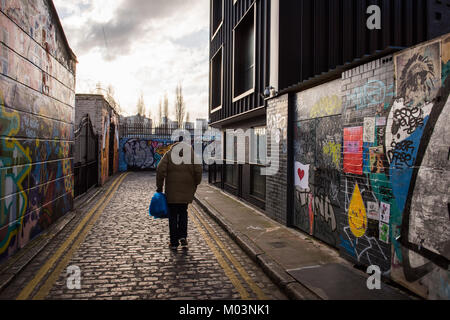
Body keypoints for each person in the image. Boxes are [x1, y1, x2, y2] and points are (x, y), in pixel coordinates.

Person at [156, 137, 203, 250]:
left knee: (172, 216)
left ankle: (173, 242)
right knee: (183, 213)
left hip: (172, 192)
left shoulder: (169, 154)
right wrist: (196, 183)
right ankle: (183, 237)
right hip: (186, 191)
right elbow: (198, 170)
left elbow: (160, 169)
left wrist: (159, 187)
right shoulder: (191, 155)